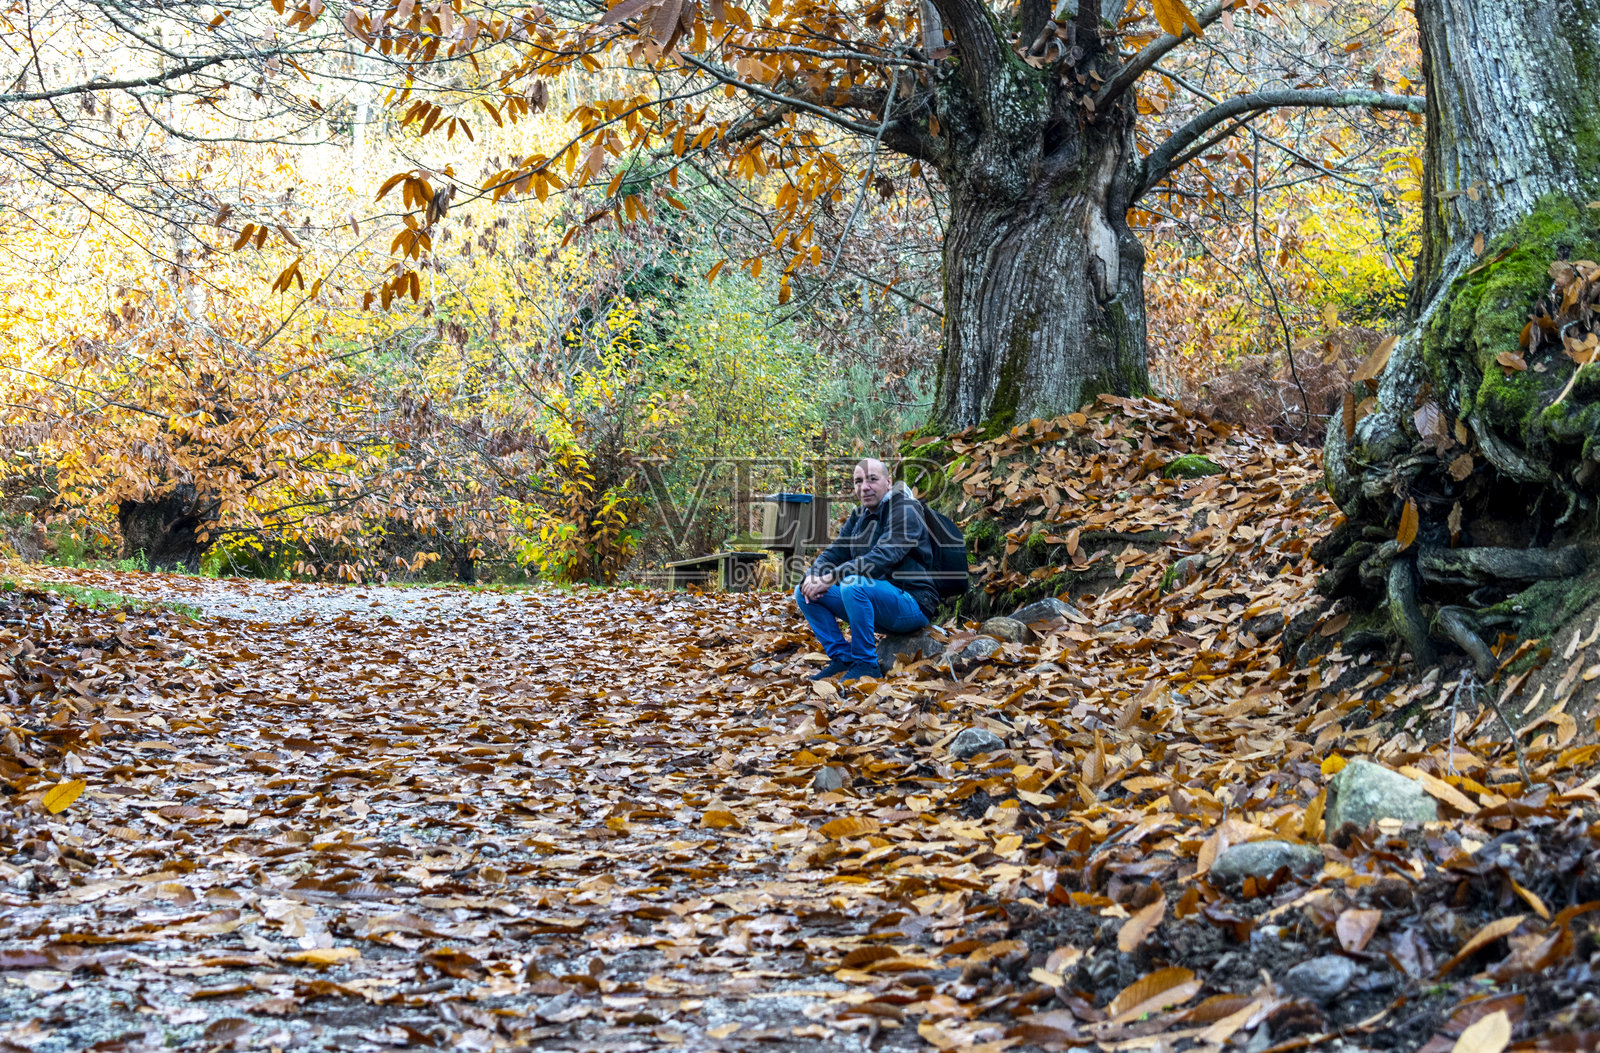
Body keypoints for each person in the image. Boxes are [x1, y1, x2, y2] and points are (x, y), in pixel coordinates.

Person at [795, 458, 939, 682]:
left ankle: (866, 665)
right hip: (875, 602)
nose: (865, 487)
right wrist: (814, 575)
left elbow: (884, 556)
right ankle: (843, 659)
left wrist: (833, 576)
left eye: (872, 479)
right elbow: (834, 553)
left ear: (889, 482)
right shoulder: (858, 516)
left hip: (913, 603)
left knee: (853, 584)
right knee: (803, 591)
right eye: (858, 481)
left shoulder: (905, 509)